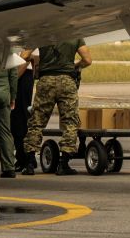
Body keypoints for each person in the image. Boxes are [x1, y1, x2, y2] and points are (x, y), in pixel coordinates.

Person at [20, 39, 92, 176]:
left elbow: (24, 56)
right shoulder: (75, 35)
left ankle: (29, 163)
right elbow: (87, 60)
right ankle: (64, 163)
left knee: (36, 121)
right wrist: (75, 65)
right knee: (70, 122)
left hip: (46, 80)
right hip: (67, 80)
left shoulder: (43, 33)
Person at [10, 50, 37, 171]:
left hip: (22, 73)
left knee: (20, 119)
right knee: (17, 120)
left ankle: (27, 158)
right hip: (19, 72)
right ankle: (23, 156)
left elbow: (29, 57)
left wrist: (13, 79)